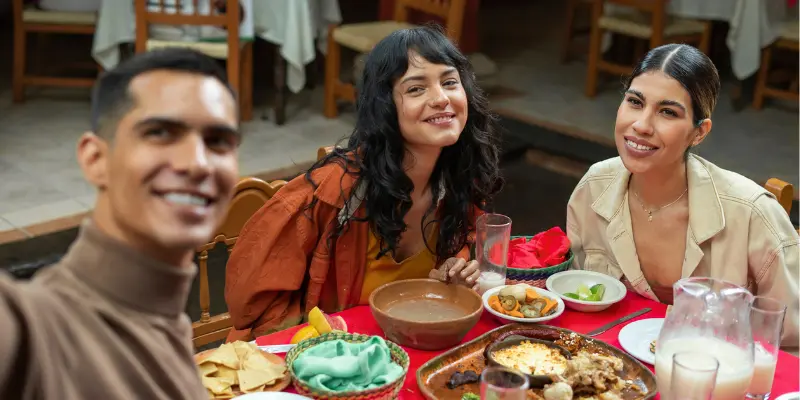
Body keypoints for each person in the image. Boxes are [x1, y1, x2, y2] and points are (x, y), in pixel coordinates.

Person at [224, 26, 502, 341]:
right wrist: (318, 342)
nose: (441, 98)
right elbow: (250, 305)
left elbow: (466, 240)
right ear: (384, 106)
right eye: (415, 89)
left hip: (409, 345)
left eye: (450, 82)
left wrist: (454, 268)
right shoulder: (336, 191)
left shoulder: (458, 178)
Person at [0, 48, 241, 398]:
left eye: (218, 141)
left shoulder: (166, 324)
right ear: (95, 159)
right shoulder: (35, 329)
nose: (198, 163)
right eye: (160, 132)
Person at [566, 44, 798, 347]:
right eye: (635, 102)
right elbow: (572, 298)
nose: (641, 125)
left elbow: (792, 340)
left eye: (667, 112)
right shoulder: (594, 187)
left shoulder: (751, 213)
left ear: (699, 132)